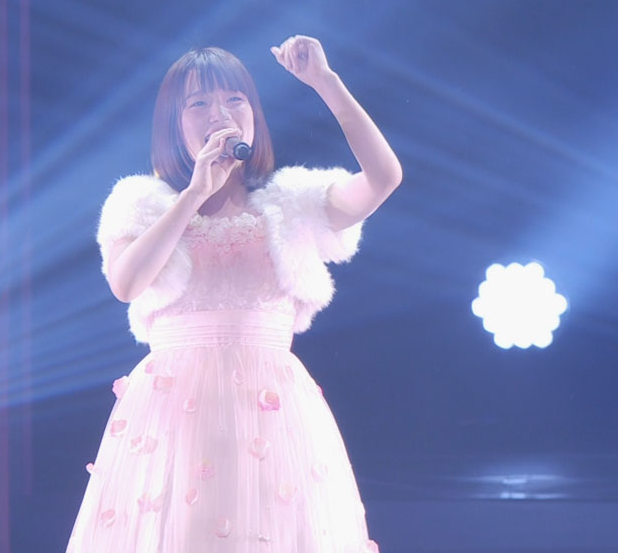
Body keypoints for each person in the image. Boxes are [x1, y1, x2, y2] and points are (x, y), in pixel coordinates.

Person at [68, 35, 402, 552]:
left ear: (253, 117)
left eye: (233, 99)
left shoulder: (289, 202)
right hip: (172, 414)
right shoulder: (140, 202)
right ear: (172, 123)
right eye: (198, 103)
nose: (218, 113)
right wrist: (194, 194)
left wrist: (326, 83)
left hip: (273, 410)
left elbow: (383, 179)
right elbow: (126, 284)